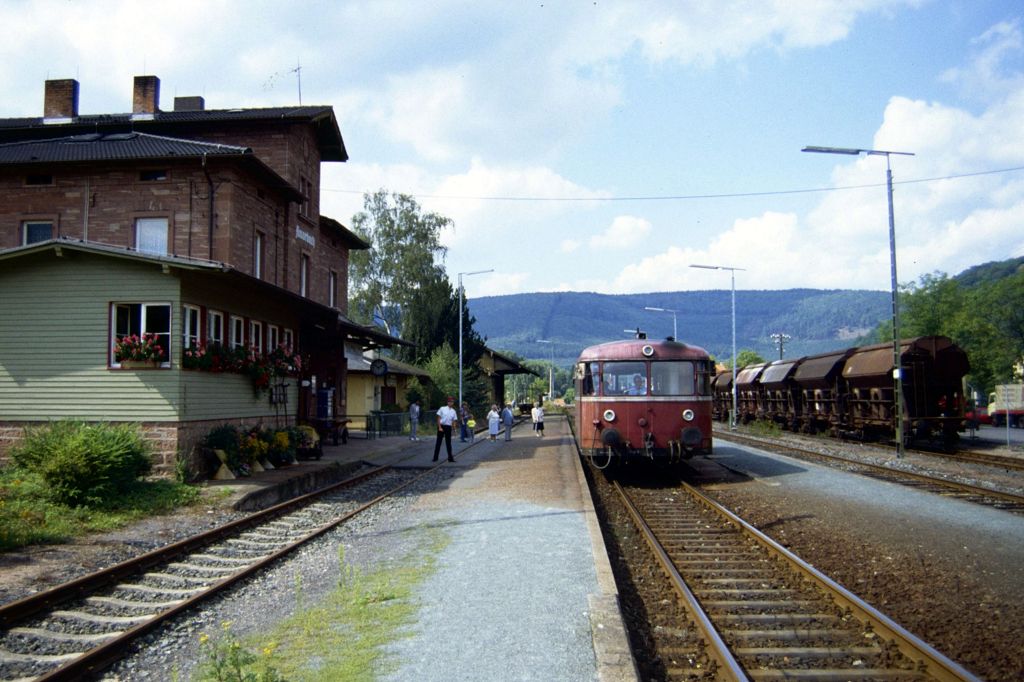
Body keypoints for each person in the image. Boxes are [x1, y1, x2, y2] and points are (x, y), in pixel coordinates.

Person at [433, 396, 458, 462]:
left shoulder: (453, 411)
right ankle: (435, 458)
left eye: (452, 402)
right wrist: (440, 427)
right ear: (447, 402)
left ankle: (450, 458)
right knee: (438, 442)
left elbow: (454, 421)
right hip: (441, 426)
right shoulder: (442, 408)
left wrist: (454, 430)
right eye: (449, 401)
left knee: (448, 443)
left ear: (453, 403)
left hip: (448, 427)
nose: (450, 403)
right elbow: (438, 418)